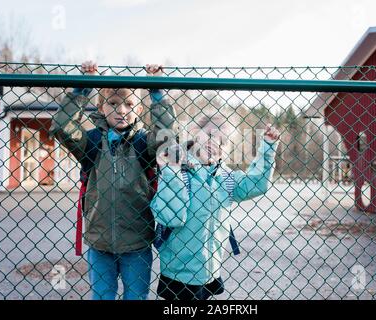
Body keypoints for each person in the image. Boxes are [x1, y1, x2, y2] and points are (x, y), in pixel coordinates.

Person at [49, 61, 178, 300]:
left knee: (136, 296)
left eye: (129, 104)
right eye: (113, 104)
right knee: (102, 296)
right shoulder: (91, 142)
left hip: (137, 243)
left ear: (139, 109)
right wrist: (83, 87)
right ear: (100, 107)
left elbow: (167, 133)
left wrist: (156, 89)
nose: (121, 110)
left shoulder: (144, 143)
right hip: (100, 243)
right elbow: (63, 127)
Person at [150, 113, 280, 300]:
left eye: (223, 142)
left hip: (210, 270)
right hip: (179, 273)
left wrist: (267, 147)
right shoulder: (177, 169)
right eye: (210, 135)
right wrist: (172, 171)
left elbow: (256, 183)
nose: (215, 144)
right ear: (195, 133)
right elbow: (171, 217)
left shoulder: (225, 178)